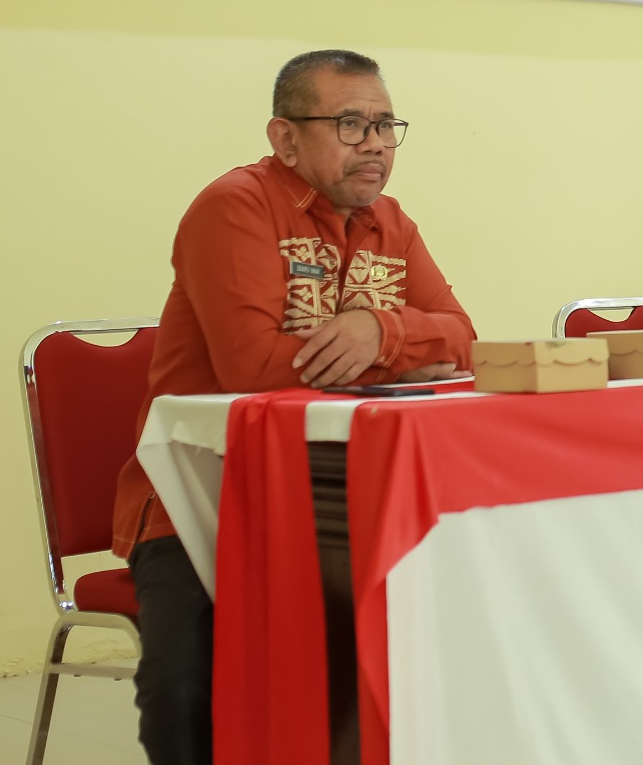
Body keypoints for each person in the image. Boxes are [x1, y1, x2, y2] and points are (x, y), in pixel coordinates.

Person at [109, 50, 475, 764]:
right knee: (186, 686)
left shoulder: (391, 222)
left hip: (340, 491)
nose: (375, 144)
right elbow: (253, 369)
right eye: (350, 124)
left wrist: (379, 330)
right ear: (285, 138)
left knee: (415, 642)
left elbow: (463, 339)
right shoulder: (234, 207)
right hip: (202, 496)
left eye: (386, 125)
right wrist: (402, 346)